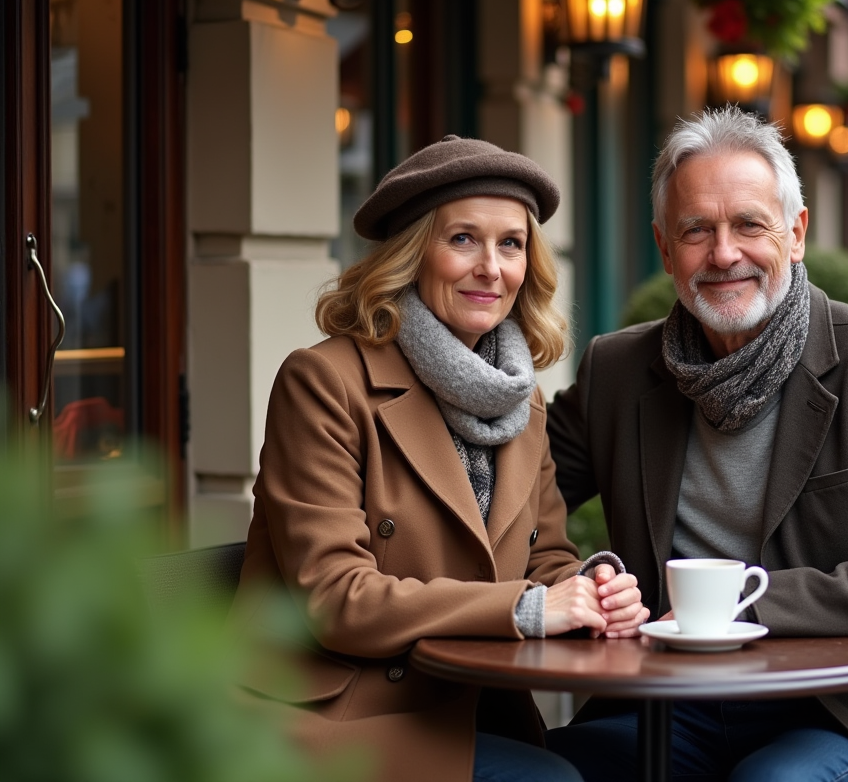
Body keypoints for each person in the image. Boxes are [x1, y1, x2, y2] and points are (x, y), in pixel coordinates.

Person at [544, 107, 848, 782]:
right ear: (666, 250)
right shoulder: (618, 370)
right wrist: (579, 578)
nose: (724, 254)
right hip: (672, 699)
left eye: (749, 224)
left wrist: (743, 604)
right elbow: (520, 501)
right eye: (697, 230)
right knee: (557, 772)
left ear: (797, 233)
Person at [227, 136, 650, 782]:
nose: (491, 267)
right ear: (410, 254)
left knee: (628, 758)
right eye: (462, 240)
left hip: (478, 707)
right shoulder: (323, 381)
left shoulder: (522, 400)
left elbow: (546, 557)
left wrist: (591, 587)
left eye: (511, 243)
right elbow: (337, 600)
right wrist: (529, 608)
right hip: (342, 717)